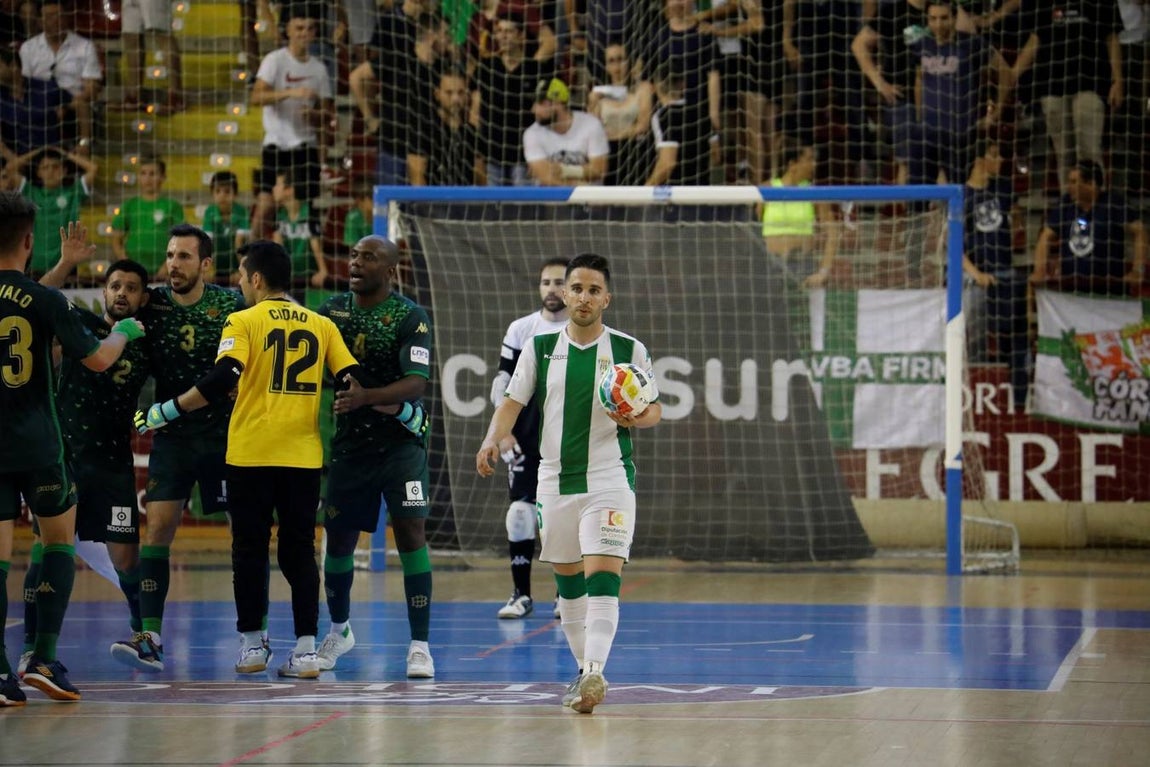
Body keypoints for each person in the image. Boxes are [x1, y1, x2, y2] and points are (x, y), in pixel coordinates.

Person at [133, 240, 361, 678]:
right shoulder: (321, 324)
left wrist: (169, 409)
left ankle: (253, 645)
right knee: (299, 552)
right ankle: (308, 650)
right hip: (302, 456)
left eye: (241, 275)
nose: (238, 282)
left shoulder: (241, 319)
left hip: (250, 453)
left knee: (248, 550)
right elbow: (351, 379)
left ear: (256, 279)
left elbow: (225, 376)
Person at [476, 252, 662, 715]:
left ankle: (596, 667)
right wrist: (491, 441)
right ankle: (585, 674)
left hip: (609, 479)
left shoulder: (629, 350)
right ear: (564, 293)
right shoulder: (540, 346)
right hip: (555, 480)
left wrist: (635, 415)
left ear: (607, 299)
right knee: (568, 586)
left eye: (593, 290)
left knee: (603, 576)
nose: (583, 297)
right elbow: (512, 402)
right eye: (576, 288)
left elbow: (655, 409)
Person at [0, 196, 145, 706]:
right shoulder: (46, 300)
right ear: (27, 241)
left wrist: (63, 266)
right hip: (39, 442)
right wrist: (125, 331)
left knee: (0, 558)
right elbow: (102, 359)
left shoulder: (40, 295)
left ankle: (0, 675)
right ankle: (40, 658)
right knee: (57, 540)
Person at [108, 224, 245, 673]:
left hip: (225, 436)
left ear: (205, 264)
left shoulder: (230, 304)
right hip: (172, 437)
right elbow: (118, 314)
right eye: (170, 255)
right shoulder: (155, 303)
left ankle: (254, 634)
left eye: (184, 257)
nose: (173, 264)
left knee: (244, 532)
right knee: (159, 529)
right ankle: (150, 635)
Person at [315, 235, 436, 678]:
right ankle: (340, 630)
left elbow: (415, 384)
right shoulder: (331, 312)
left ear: (390, 270)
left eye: (368, 257)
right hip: (351, 446)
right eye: (353, 254)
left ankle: (419, 645)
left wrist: (366, 397)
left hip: (400, 444)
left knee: (410, 532)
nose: (355, 262)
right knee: (340, 539)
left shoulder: (409, 316)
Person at [47, 257, 152, 655]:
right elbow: (35, 296)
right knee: (47, 550)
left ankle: (145, 637)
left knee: (127, 559)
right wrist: (66, 263)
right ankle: (36, 650)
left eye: (131, 287)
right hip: (65, 462)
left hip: (112, 468)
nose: (121, 293)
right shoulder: (81, 326)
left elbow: (159, 391)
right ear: (104, 291)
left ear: (143, 297)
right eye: (115, 286)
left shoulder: (146, 346)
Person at [492, 258, 570, 619]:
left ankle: (564, 596)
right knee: (520, 513)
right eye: (545, 282)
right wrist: (500, 431)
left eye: (559, 282)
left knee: (561, 515)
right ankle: (520, 595)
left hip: (566, 441)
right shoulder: (522, 329)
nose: (551, 289)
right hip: (524, 438)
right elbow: (502, 383)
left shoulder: (581, 330)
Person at [1010, 1, 1124, 194]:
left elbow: (1111, 38)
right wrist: (1010, 76)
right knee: (1063, 154)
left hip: (1091, 82)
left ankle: (1097, 209)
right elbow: (1035, 40)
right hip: (1052, 85)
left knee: (1089, 151)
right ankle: (1068, 208)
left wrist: (1118, 80)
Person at [250, 7, 334, 240]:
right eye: (299, 28)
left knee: (306, 206)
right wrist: (290, 93)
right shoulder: (274, 60)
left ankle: (306, 263)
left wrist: (316, 115)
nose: (304, 33)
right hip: (276, 143)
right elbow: (256, 97)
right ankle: (246, 255)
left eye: (309, 28)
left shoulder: (319, 68)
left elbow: (328, 112)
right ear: (287, 30)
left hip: (305, 145)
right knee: (266, 202)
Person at [960, 139, 1028, 408]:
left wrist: (1016, 223)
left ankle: (1017, 396)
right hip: (976, 278)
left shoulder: (1003, 189)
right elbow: (951, 245)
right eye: (995, 155)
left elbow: (1017, 218)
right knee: (974, 340)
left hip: (1005, 273)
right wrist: (976, 273)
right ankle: (972, 398)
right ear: (979, 160)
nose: (1000, 161)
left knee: (1012, 337)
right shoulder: (961, 195)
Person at [1030, 160, 1147, 297]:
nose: (1069, 187)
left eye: (1074, 182)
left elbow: (1140, 232)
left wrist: (1138, 270)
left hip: (1109, 289)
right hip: (1071, 288)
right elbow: (1046, 236)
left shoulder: (1113, 203)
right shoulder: (1066, 203)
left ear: (1091, 184)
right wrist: (1039, 270)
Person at [473, 10, 554, 186]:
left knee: (523, 209)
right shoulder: (486, 68)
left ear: (521, 35)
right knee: (494, 207)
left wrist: (540, 155)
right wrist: (478, 154)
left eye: (509, 31)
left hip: (525, 155)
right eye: (500, 31)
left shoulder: (536, 69)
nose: (503, 36)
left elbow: (546, 116)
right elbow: (475, 113)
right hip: (492, 154)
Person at [18, 1, 102, 152]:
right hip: (40, 105)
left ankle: (83, 145)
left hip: (74, 105)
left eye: (59, 15)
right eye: (50, 16)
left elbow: (92, 86)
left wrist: (66, 106)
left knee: (81, 105)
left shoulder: (85, 46)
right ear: (39, 21)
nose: (55, 20)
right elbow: (24, 84)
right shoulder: (28, 48)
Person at [760, 143, 840, 289]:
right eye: (809, 159)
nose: (814, 164)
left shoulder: (815, 193)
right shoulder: (766, 189)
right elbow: (755, 225)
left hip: (803, 267)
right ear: (792, 164)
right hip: (770, 267)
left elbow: (833, 233)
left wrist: (823, 271)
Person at [13, 146, 97, 277]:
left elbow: (93, 169)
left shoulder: (73, 191)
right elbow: (11, 168)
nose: (51, 171)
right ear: (38, 172)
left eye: (56, 167)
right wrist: (39, 151)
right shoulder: (30, 191)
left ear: (64, 171)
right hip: (35, 264)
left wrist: (64, 153)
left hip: (65, 263)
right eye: (45, 167)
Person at [587, 43, 654, 187]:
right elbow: (593, 130)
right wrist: (591, 104)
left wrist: (614, 135)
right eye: (611, 61)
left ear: (629, 61)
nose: (617, 65)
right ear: (605, 65)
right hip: (608, 153)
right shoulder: (598, 93)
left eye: (620, 59)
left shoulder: (643, 88)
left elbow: (643, 125)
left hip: (636, 152)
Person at [524, 77, 610, 186]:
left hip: (589, 201)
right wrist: (579, 185)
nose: (533, 110)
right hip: (552, 201)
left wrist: (564, 170)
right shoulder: (532, 133)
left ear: (558, 103)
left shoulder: (591, 124)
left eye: (540, 103)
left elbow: (599, 170)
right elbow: (546, 177)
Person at [111, 156, 186, 279]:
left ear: (163, 177)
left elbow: (180, 240)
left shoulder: (173, 206)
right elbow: (116, 239)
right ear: (138, 177)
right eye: (143, 173)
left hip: (165, 273)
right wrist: (127, 264)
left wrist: (168, 266)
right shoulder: (129, 205)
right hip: (133, 272)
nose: (147, 178)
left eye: (153, 173)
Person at [407, 69, 481, 187]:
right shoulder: (424, 129)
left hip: (465, 202)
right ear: (437, 94)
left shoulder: (471, 132)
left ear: (467, 96)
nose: (456, 99)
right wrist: (428, 205)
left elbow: (480, 177)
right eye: (449, 93)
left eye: (460, 93)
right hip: (432, 201)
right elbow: (417, 177)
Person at [270, 168, 329, 288]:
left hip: (309, 278)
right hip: (287, 278)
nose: (273, 188)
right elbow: (277, 246)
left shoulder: (308, 213)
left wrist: (323, 270)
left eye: (277, 185)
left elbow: (315, 243)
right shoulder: (280, 215)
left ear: (289, 190)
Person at [202, 171, 251, 286]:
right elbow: (207, 242)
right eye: (218, 191)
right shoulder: (210, 212)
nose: (222, 195)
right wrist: (208, 270)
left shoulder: (241, 212)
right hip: (215, 266)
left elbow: (239, 243)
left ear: (235, 194)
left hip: (235, 267)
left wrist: (242, 271)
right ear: (212, 194)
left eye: (227, 192)